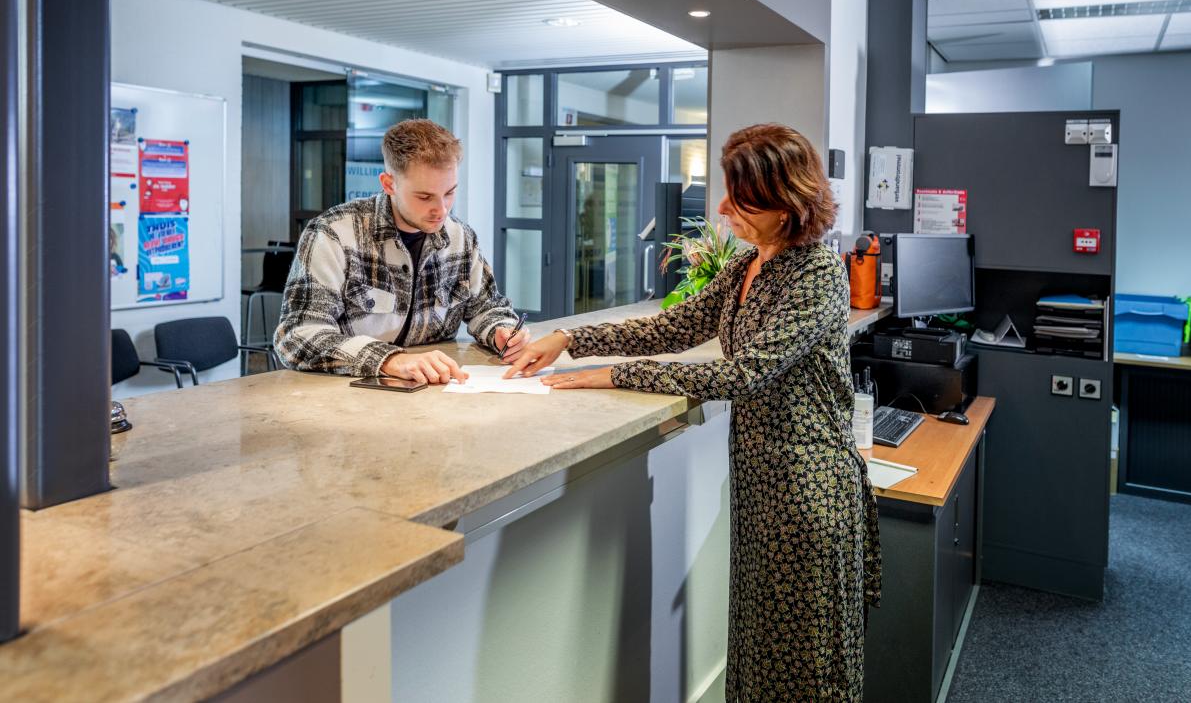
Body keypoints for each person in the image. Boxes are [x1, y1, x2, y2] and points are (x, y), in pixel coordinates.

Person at [508, 123, 882, 700]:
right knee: (759, 643)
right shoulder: (748, 265)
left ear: (786, 203)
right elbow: (674, 324)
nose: (723, 207)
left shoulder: (819, 274)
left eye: (741, 196)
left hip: (809, 489)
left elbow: (743, 373)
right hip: (763, 482)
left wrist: (617, 374)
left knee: (807, 659)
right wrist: (569, 340)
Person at [274, 119, 527, 383]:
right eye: (425, 197)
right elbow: (297, 336)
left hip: (437, 392)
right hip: (347, 398)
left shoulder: (460, 237)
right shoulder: (333, 234)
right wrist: (390, 360)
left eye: (449, 192)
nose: (442, 210)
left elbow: (486, 306)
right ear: (389, 184)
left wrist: (501, 329)